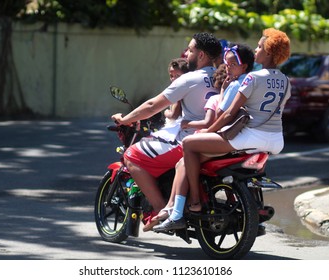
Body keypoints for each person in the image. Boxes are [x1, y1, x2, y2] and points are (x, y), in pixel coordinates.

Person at [153, 28, 291, 232]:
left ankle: (194, 202)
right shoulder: (286, 81)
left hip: (250, 137)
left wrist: (208, 132)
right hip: (275, 141)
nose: (256, 49)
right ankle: (251, 209)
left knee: (190, 145)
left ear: (269, 52)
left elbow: (228, 114)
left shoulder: (253, 78)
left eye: (260, 46)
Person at [111, 33, 222, 231]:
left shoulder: (190, 79)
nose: (187, 54)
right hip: (215, 140)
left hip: (188, 141)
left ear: (202, 55)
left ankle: (160, 209)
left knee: (132, 155)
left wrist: (126, 119)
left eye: (190, 50)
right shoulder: (222, 77)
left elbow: (153, 105)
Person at [151, 43, 256, 231]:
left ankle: (184, 207)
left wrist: (205, 130)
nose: (229, 68)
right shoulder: (251, 84)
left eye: (233, 64)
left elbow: (223, 114)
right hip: (250, 139)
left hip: (226, 137)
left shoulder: (231, 89)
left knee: (184, 157)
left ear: (244, 66)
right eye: (227, 64)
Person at [163, 58, 189, 124]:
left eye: (177, 75)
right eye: (171, 76)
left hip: (177, 127)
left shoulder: (177, 91)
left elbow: (173, 116)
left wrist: (166, 112)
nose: (173, 79)